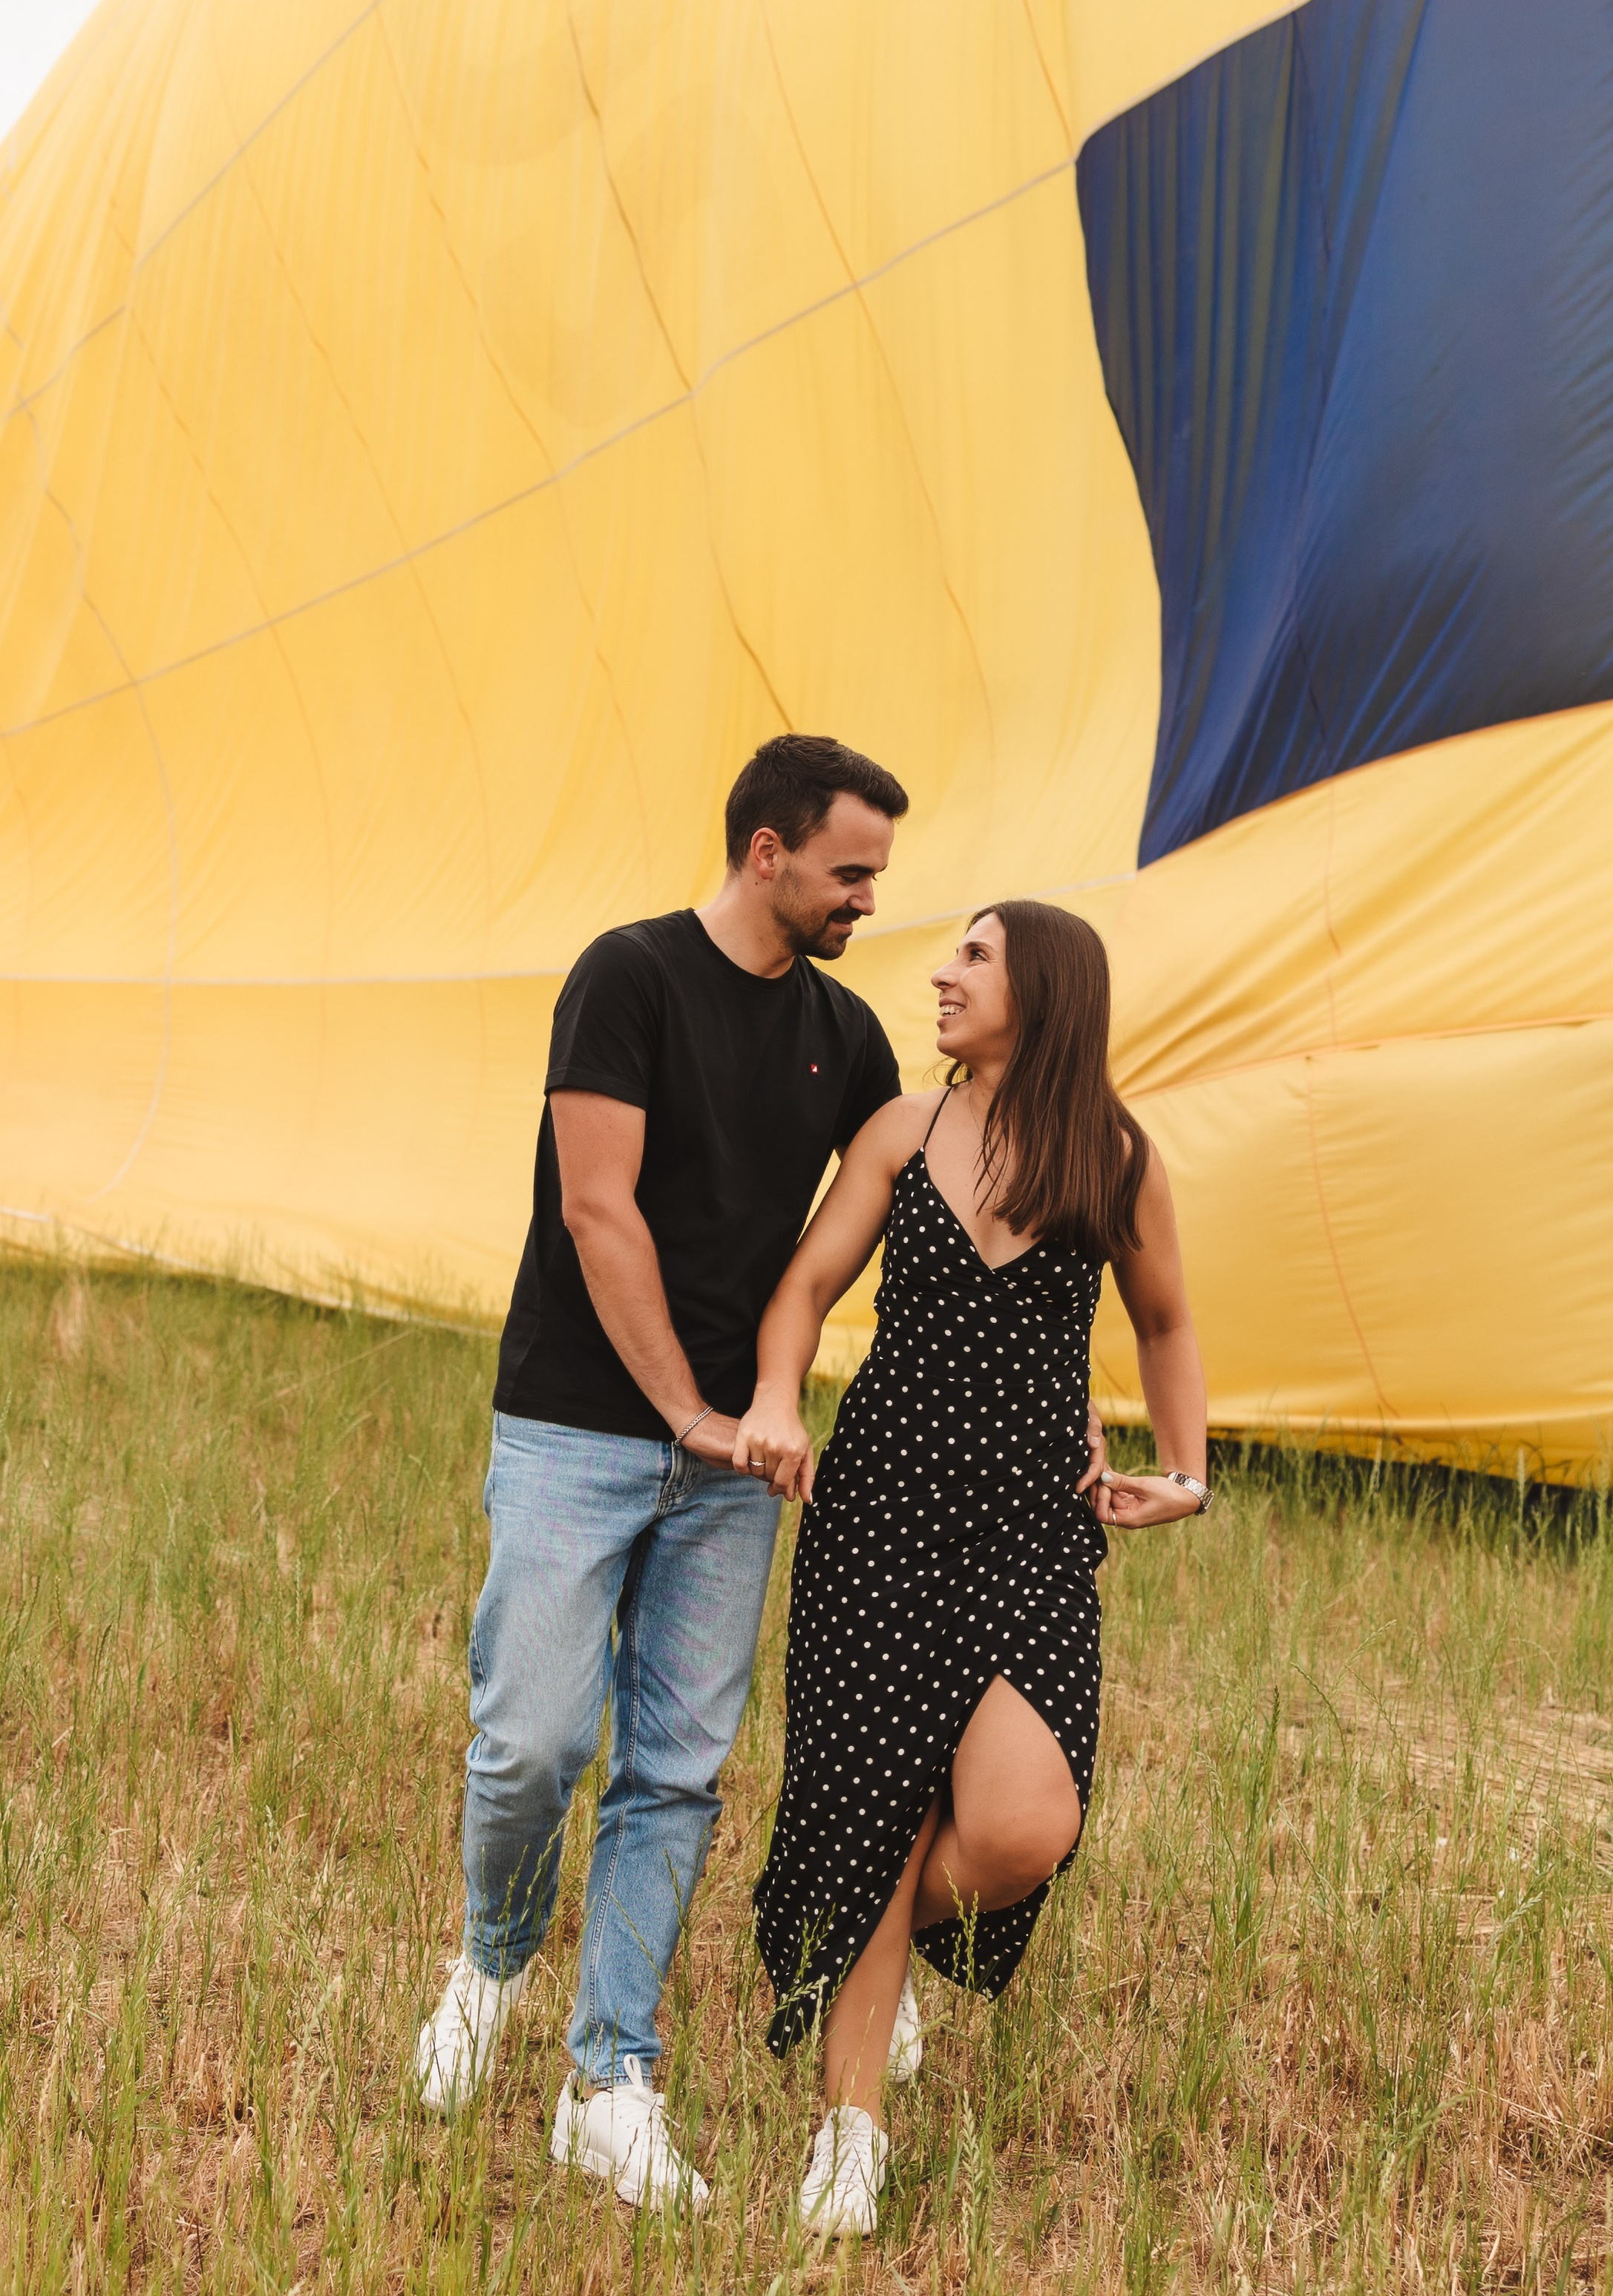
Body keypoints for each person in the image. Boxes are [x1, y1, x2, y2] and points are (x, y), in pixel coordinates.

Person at [413, 734, 909, 2213]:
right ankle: (488, 1968)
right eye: (849, 871)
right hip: (579, 1424)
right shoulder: (624, 978)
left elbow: (916, 1191)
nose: (867, 900)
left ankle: (607, 2075)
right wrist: (687, 1413)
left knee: (675, 1774)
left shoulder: (851, 1038)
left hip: (728, 1462)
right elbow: (595, 1209)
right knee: (535, 1744)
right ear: (768, 851)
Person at [740, 898, 1211, 2239]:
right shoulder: (905, 1129)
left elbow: (1168, 1317)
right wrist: (780, 1399)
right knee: (883, 1820)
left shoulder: (1116, 1156)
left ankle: (847, 1954)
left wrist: (1186, 1469)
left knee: (1020, 1831)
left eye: (974, 957)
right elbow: (803, 1288)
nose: (942, 974)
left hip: (1032, 1538)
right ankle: (852, 2131)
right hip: (882, 1517)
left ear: (1046, 991)